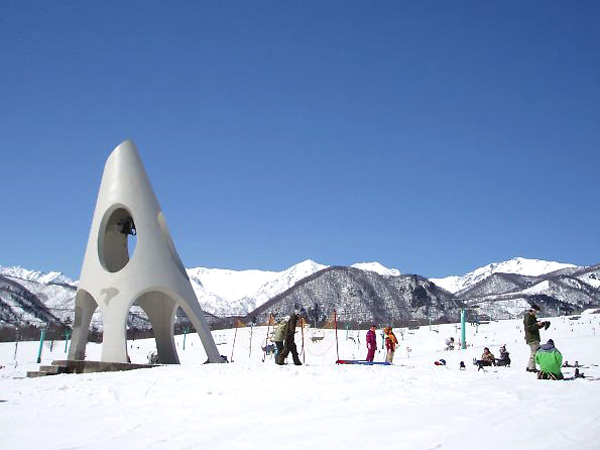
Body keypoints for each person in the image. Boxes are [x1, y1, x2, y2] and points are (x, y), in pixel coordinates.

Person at [523, 304, 550, 372]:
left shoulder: (531, 317)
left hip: (533, 337)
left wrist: (542, 324)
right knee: (534, 353)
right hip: (532, 338)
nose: (536, 314)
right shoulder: (528, 318)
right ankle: (531, 368)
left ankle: (530, 366)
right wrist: (536, 324)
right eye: (535, 312)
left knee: (534, 353)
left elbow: (535, 327)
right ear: (532, 310)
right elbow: (529, 328)